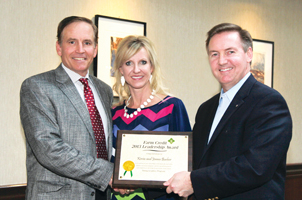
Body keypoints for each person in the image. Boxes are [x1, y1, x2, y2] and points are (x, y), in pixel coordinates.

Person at [164, 23, 292, 200]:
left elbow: (255, 167)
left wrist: (194, 182)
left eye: (230, 52)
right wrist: (134, 181)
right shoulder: (206, 109)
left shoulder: (268, 102)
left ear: (249, 54)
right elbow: (195, 162)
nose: (222, 61)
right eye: (214, 54)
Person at [20, 16, 126, 200]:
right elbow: (49, 149)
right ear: (59, 47)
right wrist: (108, 173)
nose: (80, 50)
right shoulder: (36, 87)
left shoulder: (104, 90)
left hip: (103, 194)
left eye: (87, 42)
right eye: (72, 42)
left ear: (95, 49)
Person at [111, 35, 191, 200]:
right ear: (120, 69)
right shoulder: (114, 113)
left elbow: (187, 166)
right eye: (128, 63)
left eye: (143, 62)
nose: (136, 70)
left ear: (152, 67)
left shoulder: (172, 107)